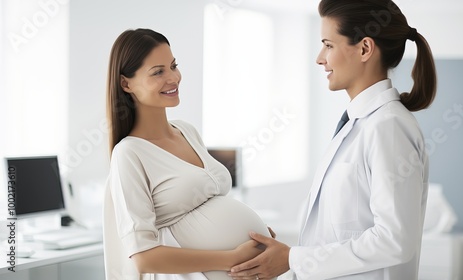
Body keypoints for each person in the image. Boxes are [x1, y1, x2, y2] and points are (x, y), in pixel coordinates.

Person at [229, 0, 436, 279]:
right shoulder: (358, 124)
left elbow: (395, 240)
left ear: (364, 49)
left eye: (328, 45)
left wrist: (293, 258)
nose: (319, 58)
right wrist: (292, 260)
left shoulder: (389, 127)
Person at [102, 28, 274, 280]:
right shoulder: (129, 153)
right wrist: (232, 257)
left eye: (173, 66)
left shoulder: (186, 131)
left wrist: (257, 238)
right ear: (126, 83)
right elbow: (143, 258)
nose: (173, 77)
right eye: (158, 72)